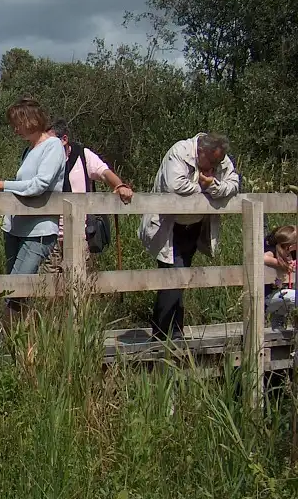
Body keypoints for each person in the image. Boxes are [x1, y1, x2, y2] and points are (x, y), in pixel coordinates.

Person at [141, 133, 239, 340]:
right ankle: (163, 333)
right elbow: (175, 186)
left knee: (179, 276)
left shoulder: (219, 156)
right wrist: (205, 188)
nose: (215, 165)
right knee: (173, 275)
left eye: (217, 162)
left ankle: (173, 330)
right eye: (211, 162)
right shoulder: (180, 152)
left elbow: (234, 184)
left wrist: (213, 185)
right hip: (169, 226)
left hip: (193, 226)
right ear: (200, 152)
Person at [0, 98, 65, 310]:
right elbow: (24, 185)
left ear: (31, 121)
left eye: (18, 123)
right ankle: (20, 337)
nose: (15, 129)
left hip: (39, 229)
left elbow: (40, 184)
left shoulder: (52, 146)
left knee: (16, 290)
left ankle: (15, 336)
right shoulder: (29, 150)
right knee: (14, 288)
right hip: (15, 227)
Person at [42, 118, 134, 271]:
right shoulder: (43, 160)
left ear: (64, 139)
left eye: (50, 142)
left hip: (80, 233)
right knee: (50, 287)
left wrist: (119, 186)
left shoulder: (82, 155)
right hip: (50, 233)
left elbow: (104, 173)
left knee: (79, 285)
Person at [264, 225, 297, 328]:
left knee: (279, 322)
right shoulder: (273, 252)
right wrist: (281, 264)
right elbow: (262, 257)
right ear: (291, 246)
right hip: (269, 298)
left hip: (281, 295)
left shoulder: (292, 254)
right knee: (293, 297)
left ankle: (277, 328)